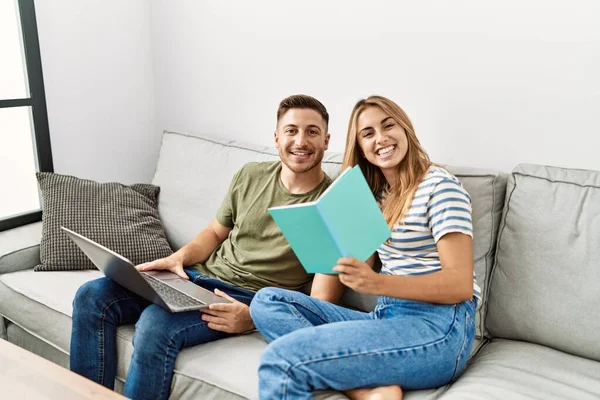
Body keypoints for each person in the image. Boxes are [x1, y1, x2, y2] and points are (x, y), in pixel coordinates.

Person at [69, 94, 333, 400]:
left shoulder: (328, 208)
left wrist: (254, 316)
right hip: (197, 277)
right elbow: (213, 232)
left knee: (155, 325)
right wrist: (177, 259)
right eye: (291, 130)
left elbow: (320, 304)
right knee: (91, 295)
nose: (301, 140)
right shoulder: (250, 175)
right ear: (276, 138)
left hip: (244, 297)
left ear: (326, 140)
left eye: (312, 132)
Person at [250, 95, 481, 400]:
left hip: (438, 327)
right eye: (368, 134)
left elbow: (460, 285)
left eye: (389, 126)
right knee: (267, 301)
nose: (381, 139)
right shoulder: (377, 195)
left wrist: (376, 282)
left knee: (282, 359)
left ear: (406, 130)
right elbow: (350, 263)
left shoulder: (440, 187)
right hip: (387, 318)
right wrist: (327, 238)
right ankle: (364, 387)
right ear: (360, 147)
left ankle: (352, 381)